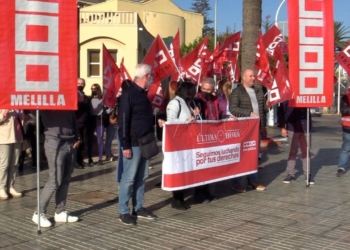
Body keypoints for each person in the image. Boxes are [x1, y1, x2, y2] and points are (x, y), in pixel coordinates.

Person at [118, 63, 157, 225]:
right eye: (151, 76)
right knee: (128, 178)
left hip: (145, 142)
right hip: (133, 143)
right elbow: (124, 120)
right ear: (146, 76)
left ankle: (138, 207)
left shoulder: (143, 94)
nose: (152, 79)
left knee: (142, 177)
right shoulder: (129, 94)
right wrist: (125, 145)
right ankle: (123, 211)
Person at [31, 111, 81, 227]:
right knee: (55, 179)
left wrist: (78, 136)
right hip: (54, 141)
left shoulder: (68, 97)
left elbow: (72, 116)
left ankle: (60, 211)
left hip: (70, 140)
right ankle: (39, 212)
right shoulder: (46, 99)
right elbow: (35, 113)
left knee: (66, 179)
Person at [229, 68, 267, 192]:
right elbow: (233, 108)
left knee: (254, 155)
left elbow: (262, 109)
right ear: (243, 77)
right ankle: (237, 182)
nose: (253, 78)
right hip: (243, 129)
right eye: (250, 76)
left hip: (257, 129)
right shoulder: (237, 92)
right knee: (241, 155)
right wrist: (249, 114)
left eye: (254, 76)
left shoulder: (258, 91)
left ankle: (252, 180)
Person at [161, 81, 196, 210]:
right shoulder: (175, 103)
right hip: (177, 142)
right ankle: (177, 199)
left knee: (183, 168)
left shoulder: (186, 103)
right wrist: (186, 121)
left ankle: (180, 197)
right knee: (178, 169)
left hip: (185, 142)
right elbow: (171, 121)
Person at [192, 77, 219, 204]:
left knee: (210, 166)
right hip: (201, 138)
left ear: (213, 90)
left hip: (214, 137)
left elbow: (220, 114)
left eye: (209, 89)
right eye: (204, 89)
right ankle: (199, 192)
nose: (206, 91)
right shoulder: (195, 100)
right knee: (200, 166)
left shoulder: (216, 100)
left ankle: (207, 190)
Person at [278, 101, 314, 184]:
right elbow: (281, 112)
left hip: (306, 127)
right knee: (292, 151)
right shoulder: (287, 96)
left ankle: (308, 174)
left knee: (306, 152)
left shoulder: (306, 94)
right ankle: (290, 174)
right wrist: (283, 127)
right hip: (292, 127)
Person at [0, 109, 24, 200]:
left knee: (15, 164)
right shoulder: (2, 103)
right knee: (4, 164)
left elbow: (22, 120)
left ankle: (11, 186)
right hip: (4, 138)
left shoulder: (17, 105)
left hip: (17, 138)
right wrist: (4, 113)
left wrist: (21, 114)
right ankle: (1, 188)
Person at [87, 84, 105, 166]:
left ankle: (100, 159)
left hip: (99, 119)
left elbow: (108, 108)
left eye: (95, 88)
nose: (93, 90)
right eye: (92, 88)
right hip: (91, 119)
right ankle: (90, 158)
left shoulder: (102, 99)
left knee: (99, 139)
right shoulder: (89, 99)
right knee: (89, 139)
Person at [75, 78, 91, 169]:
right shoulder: (74, 95)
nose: (80, 85)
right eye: (79, 83)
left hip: (85, 122)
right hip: (77, 122)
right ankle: (76, 161)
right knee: (77, 142)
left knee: (84, 142)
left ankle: (81, 160)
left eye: (82, 83)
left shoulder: (85, 96)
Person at [336, 90, 350, 177]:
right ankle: (341, 167)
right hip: (348, 128)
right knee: (345, 148)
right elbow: (344, 110)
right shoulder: (346, 97)